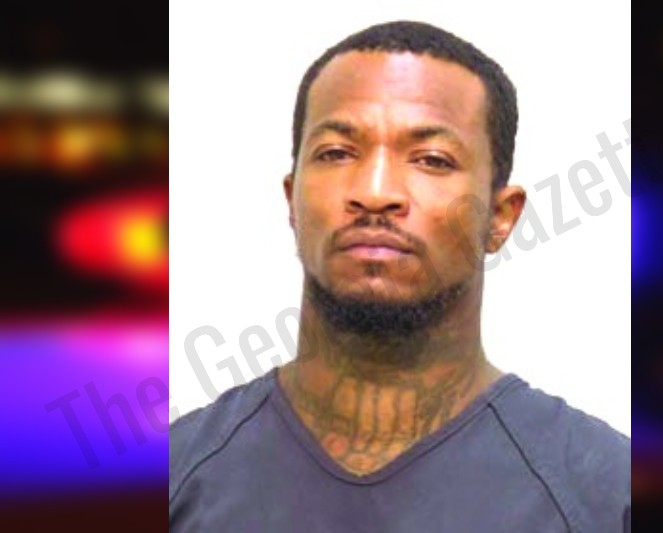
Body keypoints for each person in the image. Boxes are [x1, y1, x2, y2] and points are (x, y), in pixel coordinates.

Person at [169, 20, 630, 532]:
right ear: (292, 199)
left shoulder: (606, 496)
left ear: (501, 217)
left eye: (431, 160)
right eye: (337, 153)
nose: (375, 191)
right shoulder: (176, 478)